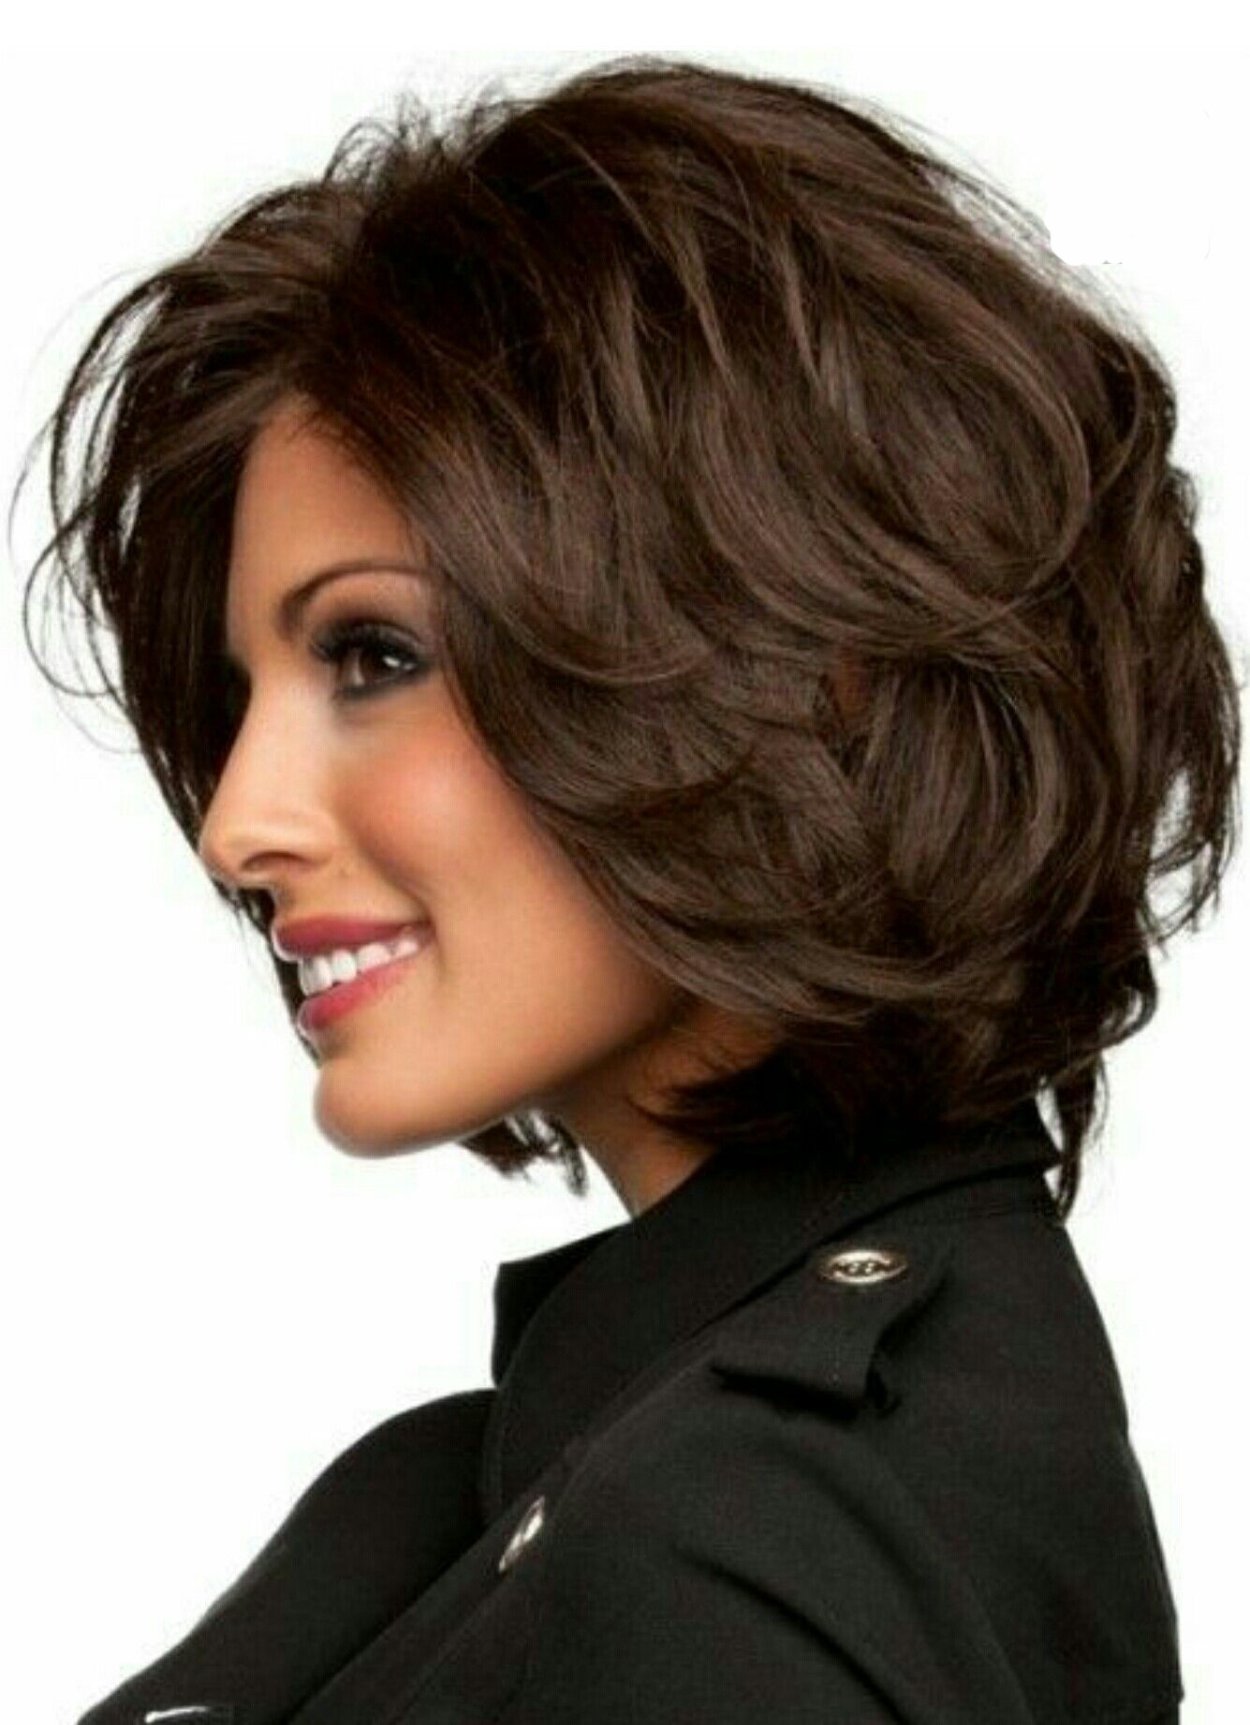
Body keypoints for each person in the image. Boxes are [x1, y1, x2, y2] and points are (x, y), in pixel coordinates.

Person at [16, 52, 1238, 1725]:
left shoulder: (735, 1555)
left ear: (800, 670)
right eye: (244, 695)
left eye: (373, 655)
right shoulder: (526, 1475)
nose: (237, 825)